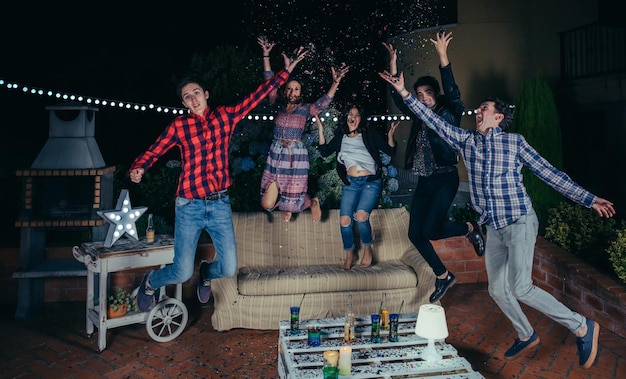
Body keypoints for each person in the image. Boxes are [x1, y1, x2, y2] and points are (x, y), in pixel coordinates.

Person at [379, 69, 616, 369]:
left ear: (498, 118)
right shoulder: (466, 142)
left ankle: (582, 326)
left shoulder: (515, 144)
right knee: (496, 289)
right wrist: (403, 92)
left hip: (519, 221)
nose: (478, 112)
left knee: (521, 287)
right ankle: (526, 333)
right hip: (494, 227)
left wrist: (589, 199)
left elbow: (550, 174)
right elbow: (433, 120)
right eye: (478, 109)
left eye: (484, 110)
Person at [129, 45, 308, 312]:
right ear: (184, 103)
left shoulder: (225, 116)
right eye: (187, 97)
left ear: (206, 94)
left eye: (196, 93)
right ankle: (150, 282)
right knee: (179, 272)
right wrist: (140, 166)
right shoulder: (180, 125)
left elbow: (255, 97)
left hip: (219, 205)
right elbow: (157, 148)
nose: (193, 99)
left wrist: (287, 72)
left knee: (228, 267)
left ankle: (206, 273)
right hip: (189, 205)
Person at [382, 31, 485, 303]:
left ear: (435, 95)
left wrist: (443, 56)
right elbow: (400, 98)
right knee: (416, 233)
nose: (423, 97)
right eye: (419, 94)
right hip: (425, 180)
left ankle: (470, 227)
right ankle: (443, 275)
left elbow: (452, 90)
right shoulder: (418, 114)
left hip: (445, 177)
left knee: (429, 230)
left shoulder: (449, 111)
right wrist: (394, 68)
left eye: (427, 93)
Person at [258, 36, 349, 222]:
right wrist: (266, 55)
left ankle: (311, 202)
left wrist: (336, 82)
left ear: (301, 92)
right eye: (290, 89)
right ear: (285, 91)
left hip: (295, 156)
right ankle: (286, 205)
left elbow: (323, 103)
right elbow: (269, 84)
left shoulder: (306, 109)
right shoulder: (277, 105)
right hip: (276, 154)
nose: (293, 92)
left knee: (293, 202)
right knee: (267, 204)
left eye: (297, 89)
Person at [317, 104, 398, 269]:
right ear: (345, 119)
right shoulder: (341, 136)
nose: (352, 118)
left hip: (370, 182)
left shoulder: (368, 134)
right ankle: (350, 254)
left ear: (361, 118)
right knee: (344, 220)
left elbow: (389, 151)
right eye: (349, 115)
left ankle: (368, 249)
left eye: (356, 115)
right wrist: (320, 129)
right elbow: (325, 151)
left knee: (361, 217)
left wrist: (390, 135)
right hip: (351, 183)